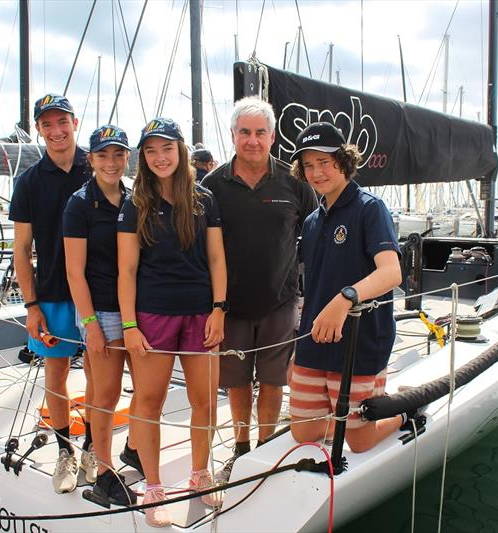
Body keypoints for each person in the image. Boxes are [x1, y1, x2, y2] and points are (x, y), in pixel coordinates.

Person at [201, 97, 317, 482]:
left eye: (260, 132)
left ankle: (266, 448)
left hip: (279, 302)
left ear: (271, 137)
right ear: (233, 135)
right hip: (229, 305)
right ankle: (240, 447)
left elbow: (314, 237)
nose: (252, 140)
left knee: (272, 380)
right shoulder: (212, 185)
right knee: (235, 380)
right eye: (245, 132)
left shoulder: (294, 182)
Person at [117, 117, 227, 527]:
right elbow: (126, 271)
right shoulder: (135, 203)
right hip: (153, 316)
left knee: (205, 401)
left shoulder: (205, 199)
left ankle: (200, 475)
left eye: (167, 148)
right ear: (143, 158)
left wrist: (219, 307)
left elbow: (216, 258)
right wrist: (129, 326)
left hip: (200, 313)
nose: (160, 157)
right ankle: (154, 488)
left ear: (181, 151)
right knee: (149, 404)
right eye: (151, 150)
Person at [286, 122, 405, 452]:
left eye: (324, 162)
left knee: (360, 442)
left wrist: (346, 297)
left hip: (359, 342)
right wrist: (298, 347)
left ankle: (402, 410)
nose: (316, 172)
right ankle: (342, 419)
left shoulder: (370, 208)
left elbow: (391, 272)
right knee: (303, 434)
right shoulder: (312, 221)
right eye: (308, 165)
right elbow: (313, 288)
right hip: (315, 343)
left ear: (343, 160)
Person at [9, 93, 95, 494]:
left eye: (62, 122)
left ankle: (95, 446)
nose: (56, 130)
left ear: (75, 123)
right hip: (53, 294)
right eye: (47, 124)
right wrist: (30, 305)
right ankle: (66, 450)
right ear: (39, 130)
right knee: (55, 373)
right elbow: (21, 250)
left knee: (101, 374)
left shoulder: (100, 168)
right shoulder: (28, 182)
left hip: (99, 294)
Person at [63, 124, 138, 506]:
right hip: (103, 311)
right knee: (106, 392)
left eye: (118, 154)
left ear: (128, 157)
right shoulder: (79, 204)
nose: (112, 162)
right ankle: (106, 473)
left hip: (137, 309)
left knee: (145, 388)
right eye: (103, 155)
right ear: (90, 159)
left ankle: (133, 450)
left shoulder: (135, 198)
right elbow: (74, 272)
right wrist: (89, 323)